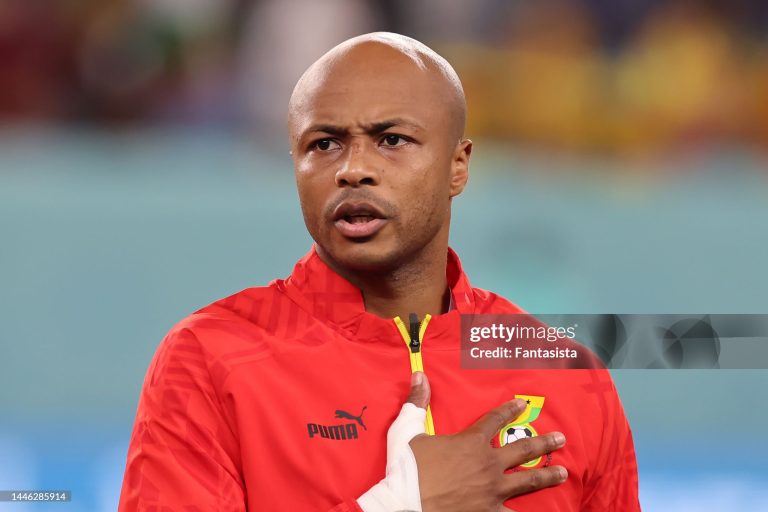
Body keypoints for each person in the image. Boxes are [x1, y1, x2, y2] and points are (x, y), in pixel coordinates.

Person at [118, 32, 640, 511]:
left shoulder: (566, 375)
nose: (353, 169)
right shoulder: (210, 359)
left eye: (391, 139)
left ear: (458, 166)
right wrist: (402, 505)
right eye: (323, 144)